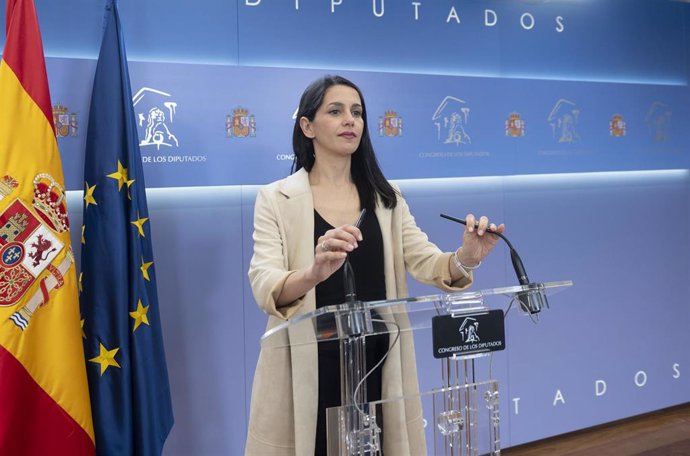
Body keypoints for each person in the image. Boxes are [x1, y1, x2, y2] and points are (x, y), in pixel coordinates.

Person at [244, 75, 505, 456]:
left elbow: (426, 261)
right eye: (335, 111)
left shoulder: (387, 197)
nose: (350, 120)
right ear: (307, 126)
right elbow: (265, 282)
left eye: (357, 112)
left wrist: (466, 256)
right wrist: (313, 273)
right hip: (307, 364)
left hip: (379, 360)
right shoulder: (275, 198)